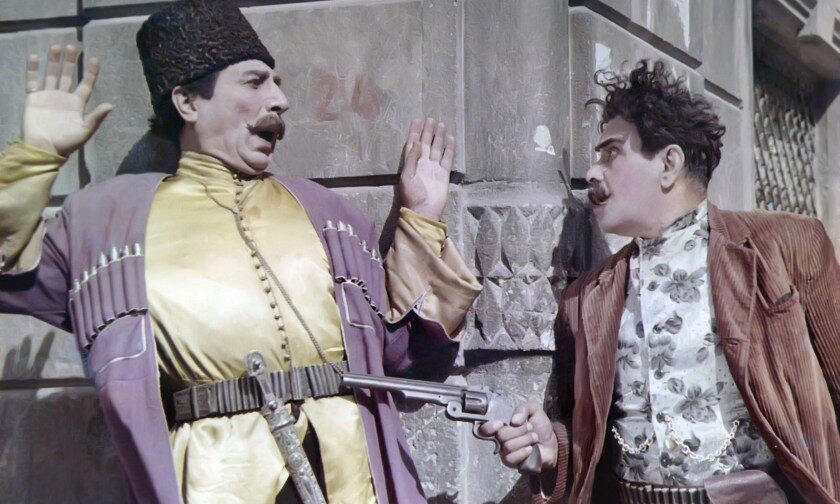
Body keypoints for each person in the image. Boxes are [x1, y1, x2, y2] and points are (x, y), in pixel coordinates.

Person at [0, 1, 481, 502]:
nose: (280, 100)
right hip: (215, 480)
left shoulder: (327, 214)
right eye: (254, 83)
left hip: (351, 479)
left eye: (278, 84)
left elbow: (406, 360)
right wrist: (35, 159)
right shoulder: (110, 225)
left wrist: (420, 219)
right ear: (187, 102)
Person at [480, 60, 840, 503]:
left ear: (669, 163)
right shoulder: (585, 298)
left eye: (611, 153)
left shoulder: (783, 246)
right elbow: (590, 442)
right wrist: (550, 446)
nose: (592, 173)